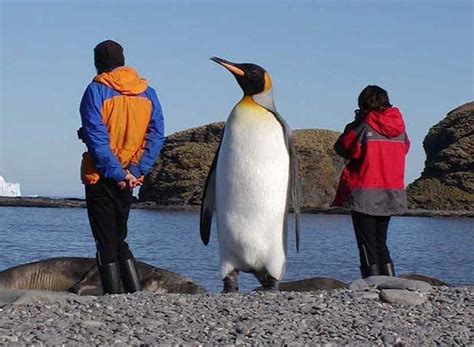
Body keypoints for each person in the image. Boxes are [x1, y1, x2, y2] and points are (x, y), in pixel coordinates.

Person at [79, 40, 165, 294]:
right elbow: (155, 134)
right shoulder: (148, 93)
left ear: (97, 63)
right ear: (123, 60)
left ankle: (114, 298)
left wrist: (117, 173)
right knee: (120, 238)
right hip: (130, 177)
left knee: (105, 240)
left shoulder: (96, 90)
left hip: (101, 175)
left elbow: (98, 138)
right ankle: (134, 294)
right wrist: (136, 171)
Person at [332, 85, 410, 278]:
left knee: (367, 243)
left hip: (365, 191)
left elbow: (342, 147)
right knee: (380, 241)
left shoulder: (364, 127)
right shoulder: (400, 130)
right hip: (391, 191)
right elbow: (405, 149)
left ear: (363, 104)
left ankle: (371, 282)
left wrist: (354, 124)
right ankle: (390, 280)